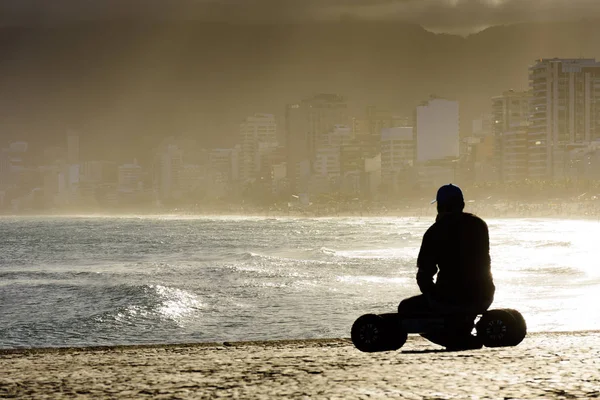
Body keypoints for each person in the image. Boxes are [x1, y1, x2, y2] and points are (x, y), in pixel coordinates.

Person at [398, 183, 495, 350]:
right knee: (456, 304)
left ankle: (454, 338)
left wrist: (433, 296)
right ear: (462, 204)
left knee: (406, 308)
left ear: (439, 207)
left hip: (451, 299)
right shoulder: (480, 225)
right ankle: (461, 328)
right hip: (484, 297)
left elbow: (424, 275)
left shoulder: (435, 231)